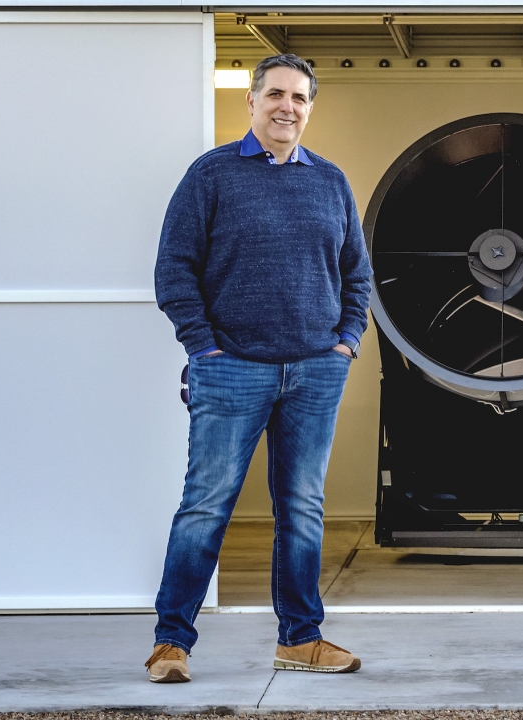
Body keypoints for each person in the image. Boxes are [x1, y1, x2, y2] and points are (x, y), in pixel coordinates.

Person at [147, 54, 372, 683]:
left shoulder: (330, 181)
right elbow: (174, 269)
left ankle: (300, 639)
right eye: (275, 94)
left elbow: (358, 273)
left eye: (299, 99)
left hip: (314, 372)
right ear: (251, 102)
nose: (287, 108)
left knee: (302, 508)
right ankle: (172, 644)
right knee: (205, 506)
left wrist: (345, 341)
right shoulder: (212, 175)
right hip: (231, 370)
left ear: (308, 109)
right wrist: (204, 346)